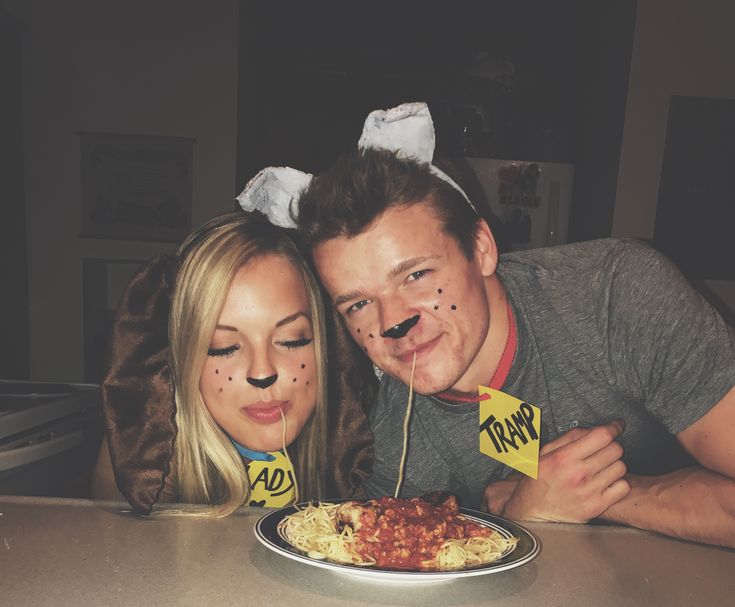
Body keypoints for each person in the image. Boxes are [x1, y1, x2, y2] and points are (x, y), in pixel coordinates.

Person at [293, 102, 735, 547]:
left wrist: (602, 499)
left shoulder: (620, 296)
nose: (393, 324)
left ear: (481, 247)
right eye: (358, 305)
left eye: (416, 275)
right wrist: (519, 517)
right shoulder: (394, 445)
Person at [91, 208, 374, 516]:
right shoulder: (141, 460)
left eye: (292, 339)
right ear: (184, 359)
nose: (262, 372)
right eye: (223, 347)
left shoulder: (369, 451)